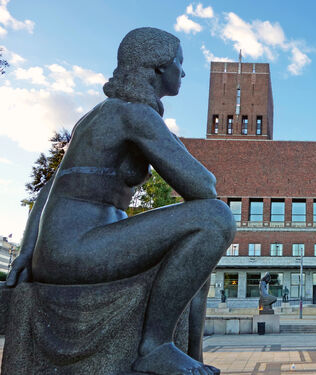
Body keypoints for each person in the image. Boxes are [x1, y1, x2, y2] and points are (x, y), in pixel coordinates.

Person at [5, 28, 235, 375]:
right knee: (214, 219)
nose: (184, 73)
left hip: (63, 249)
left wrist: (28, 250)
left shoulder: (98, 115)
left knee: (197, 257)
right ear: (159, 67)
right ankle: (155, 346)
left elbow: (50, 186)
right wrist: (167, 142)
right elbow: (203, 188)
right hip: (78, 250)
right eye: (180, 63)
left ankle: (189, 354)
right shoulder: (134, 114)